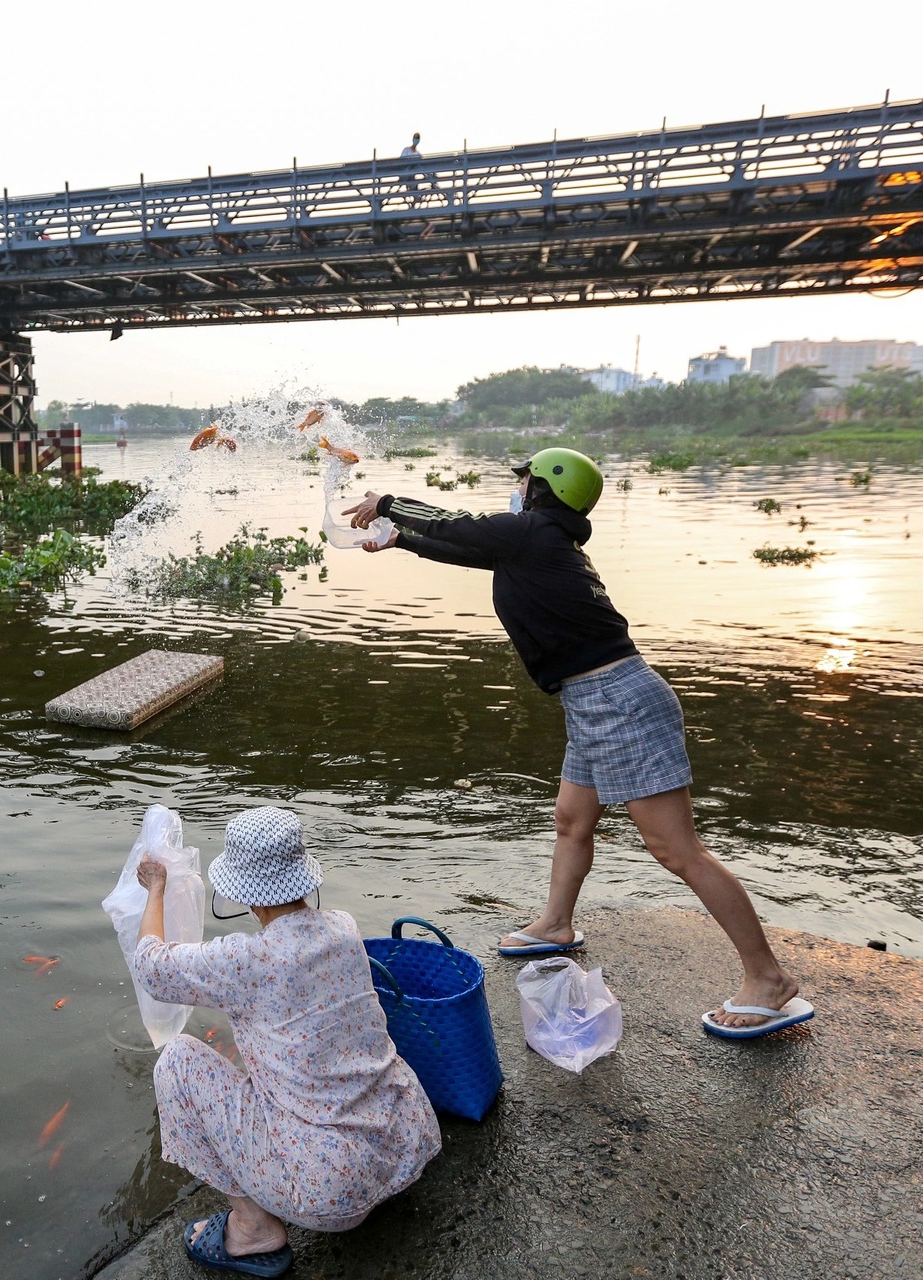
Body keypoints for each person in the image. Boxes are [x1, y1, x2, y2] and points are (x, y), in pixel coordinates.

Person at [343, 450, 814, 1040]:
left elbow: (457, 523)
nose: (516, 487)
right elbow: (464, 548)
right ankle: (556, 925)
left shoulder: (535, 532)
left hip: (619, 701)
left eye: (523, 478)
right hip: (591, 700)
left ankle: (767, 979)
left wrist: (388, 504)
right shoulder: (539, 542)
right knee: (572, 821)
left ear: (542, 489)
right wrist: (403, 542)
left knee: (677, 851)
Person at [130, 807, 440, 1277]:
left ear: (243, 893)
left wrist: (156, 887)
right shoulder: (344, 926)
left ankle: (253, 1228)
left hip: (330, 1189)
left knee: (176, 1061)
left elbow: (151, 965)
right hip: (405, 1142)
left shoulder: (247, 958)